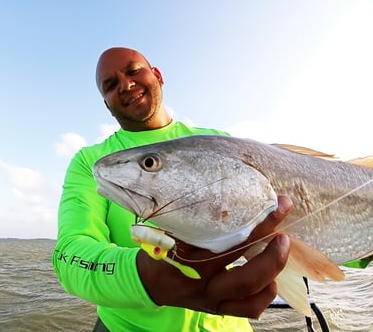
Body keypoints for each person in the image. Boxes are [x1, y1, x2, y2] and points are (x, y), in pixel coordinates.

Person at [53, 47, 293, 332]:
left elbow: (302, 218)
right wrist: (147, 280)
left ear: (157, 76)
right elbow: (69, 255)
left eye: (133, 71)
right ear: (106, 103)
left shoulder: (219, 142)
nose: (126, 85)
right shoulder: (93, 162)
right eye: (111, 85)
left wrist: (359, 251)